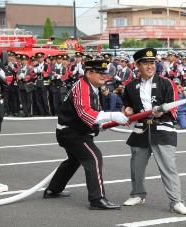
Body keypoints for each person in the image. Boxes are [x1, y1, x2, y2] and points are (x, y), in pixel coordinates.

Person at [43, 60, 128, 210]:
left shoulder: (93, 87)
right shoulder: (82, 86)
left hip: (74, 130)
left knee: (74, 160)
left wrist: (100, 125)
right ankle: (97, 199)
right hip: (71, 132)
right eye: (100, 73)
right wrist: (112, 116)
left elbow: (91, 113)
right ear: (89, 73)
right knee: (94, 157)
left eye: (105, 73)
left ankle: (53, 190)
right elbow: (86, 113)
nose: (104, 76)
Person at [122, 48, 186, 215]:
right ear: (137, 65)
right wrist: (128, 110)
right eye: (145, 63)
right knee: (136, 166)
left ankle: (176, 201)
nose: (150, 66)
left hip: (162, 128)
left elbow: (174, 106)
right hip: (141, 129)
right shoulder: (130, 86)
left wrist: (163, 112)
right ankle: (138, 194)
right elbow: (127, 105)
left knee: (169, 167)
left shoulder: (166, 83)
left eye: (152, 63)